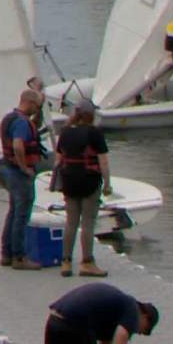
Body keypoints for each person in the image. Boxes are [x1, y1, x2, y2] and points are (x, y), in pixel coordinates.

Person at [44, 282, 159, 344]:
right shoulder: (132, 309)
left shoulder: (116, 311)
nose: (137, 332)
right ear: (145, 316)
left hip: (54, 322)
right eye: (143, 330)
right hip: (76, 326)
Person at [53, 101, 111, 278]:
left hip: (69, 181)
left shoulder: (65, 132)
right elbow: (103, 161)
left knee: (71, 222)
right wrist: (107, 183)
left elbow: (58, 159)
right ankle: (87, 263)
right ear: (91, 114)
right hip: (89, 181)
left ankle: (66, 262)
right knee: (87, 223)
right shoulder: (94, 132)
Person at [0, 89, 45, 270]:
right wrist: (24, 167)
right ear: (30, 103)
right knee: (21, 215)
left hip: (9, 171)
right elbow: (18, 145)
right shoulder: (21, 123)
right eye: (37, 106)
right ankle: (19, 256)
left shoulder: (9, 118)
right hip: (20, 173)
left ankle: (6, 254)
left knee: (13, 212)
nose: (37, 109)